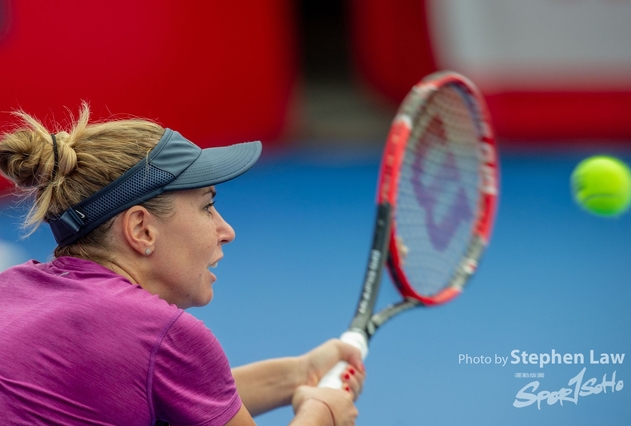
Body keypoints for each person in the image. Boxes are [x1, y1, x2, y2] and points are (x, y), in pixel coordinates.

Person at [0, 103, 365, 425]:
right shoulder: (160, 333)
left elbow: (168, 390)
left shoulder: (10, 288)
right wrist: (324, 414)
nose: (227, 231)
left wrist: (297, 375)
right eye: (207, 206)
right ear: (142, 230)